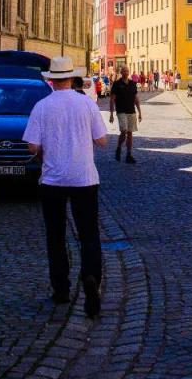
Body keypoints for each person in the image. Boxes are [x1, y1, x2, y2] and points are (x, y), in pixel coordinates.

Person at [24, 55, 108, 317]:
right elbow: (103, 140)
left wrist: (47, 148)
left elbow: (32, 146)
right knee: (89, 234)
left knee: (56, 236)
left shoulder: (41, 106)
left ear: (51, 80)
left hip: (53, 179)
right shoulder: (86, 104)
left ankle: (61, 289)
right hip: (84, 177)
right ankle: (91, 277)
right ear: (72, 78)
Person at [110, 65, 142, 163]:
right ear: (121, 72)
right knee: (124, 130)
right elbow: (112, 100)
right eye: (124, 71)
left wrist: (140, 112)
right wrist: (111, 114)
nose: (126, 72)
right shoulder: (116, 84)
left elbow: (136, 99)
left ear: (129, 72)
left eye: (127, 71)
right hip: (121, 111)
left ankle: (129, 154)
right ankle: (119, 147)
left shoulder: (133, 84)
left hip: (131, 111)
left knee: (130, 133)